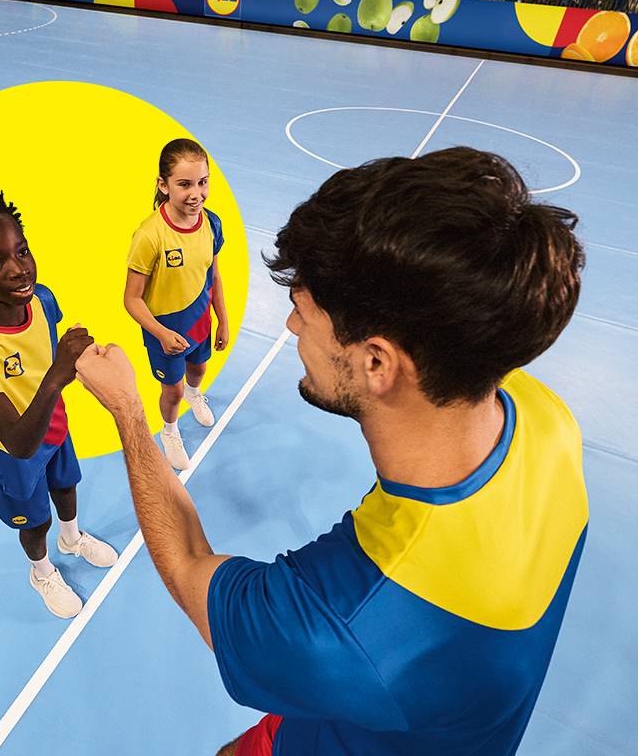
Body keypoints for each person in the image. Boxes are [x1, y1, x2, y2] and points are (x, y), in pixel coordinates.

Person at [76, 147, 588, 755]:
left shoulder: (348, 623)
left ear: (376, 362)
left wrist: (129, 413)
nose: (291, 329)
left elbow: (189, 566)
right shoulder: (545, 418)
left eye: (302, 313)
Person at [0, 186, 117, 619]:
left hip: (55, 423)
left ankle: (72, 538)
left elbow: (51, 355)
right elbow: (17, 442)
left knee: (67, 485)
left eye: (22, 252)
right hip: (13, 446)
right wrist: (58, 374)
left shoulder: (43, 299)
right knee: (34, 520)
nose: (18, 270)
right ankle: (42, 569)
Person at [124, 139, 228, 471]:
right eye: (184, 184)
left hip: (200, 322)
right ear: (163, 185)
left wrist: (222, 319)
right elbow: (131, 299)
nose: (196, 193)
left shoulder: (211, 223)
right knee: (173, 392)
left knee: (198, 371)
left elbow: (213, 274)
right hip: (165, 333)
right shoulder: (149, 236)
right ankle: (169, 431)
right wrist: (161, 333)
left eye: (202, 182)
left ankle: (197, 394)